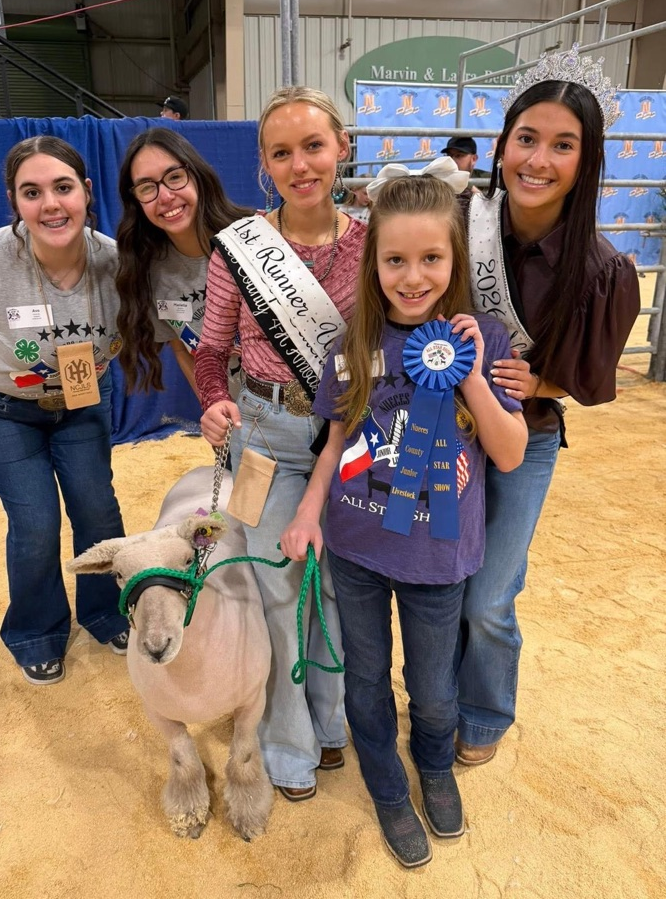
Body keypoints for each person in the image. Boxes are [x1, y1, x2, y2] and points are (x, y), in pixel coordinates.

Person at [280, 173, 527, 867]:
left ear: (453, 263)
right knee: (366, 676)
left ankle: (435, 766)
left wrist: (471, 371)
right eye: (395, 260)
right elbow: (333, 444)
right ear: (374, 263)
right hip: (357, 547)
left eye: (430, 260)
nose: (412, 277)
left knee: (433, 685)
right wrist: (307, 510)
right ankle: (387, 785)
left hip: (438, 557)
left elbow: (508, 454)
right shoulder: (351, 346)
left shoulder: (490, 339)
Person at [455, 47, 642, 765]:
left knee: (490, 595)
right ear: (503, 143)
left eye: (563, 145)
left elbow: (587, 380)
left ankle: (486, 712)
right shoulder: (461, 219)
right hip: (443, 432)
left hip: (524, 442)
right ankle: (436, 700)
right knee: (441, 582)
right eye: (527, 138)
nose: (538, 159)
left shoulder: (600, 268)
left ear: (586, 159)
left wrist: (544, 384)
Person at [195, 86, 369, 801]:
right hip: (262, 438)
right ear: (265, 165)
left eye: (314, 147)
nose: (301, 164)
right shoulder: (239, 249)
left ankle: (333, 726)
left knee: (335, 588)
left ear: (342, 149)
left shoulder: (374, 242)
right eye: (282, 152)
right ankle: (288, 744)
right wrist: (212, 402)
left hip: (350, 436)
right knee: (277, 591)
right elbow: (210, 353)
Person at [0, 136, 128, 686]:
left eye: (63, 188)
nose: (51, 204)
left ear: (86, 192)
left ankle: (106, 611)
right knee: (35, 519)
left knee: (97, 509)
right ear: (14, 202)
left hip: (82, 402)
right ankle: (36, 631)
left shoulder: (117, 263)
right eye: (32, 192)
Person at [115, 128, 251, 395]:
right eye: (146, 187)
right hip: (236, 423)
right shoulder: (150, 272)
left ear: (197, 175)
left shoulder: (257, 236)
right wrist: (212, 405)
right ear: (136, 201)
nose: (165, 197)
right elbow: (181, 348)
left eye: (174, 177)